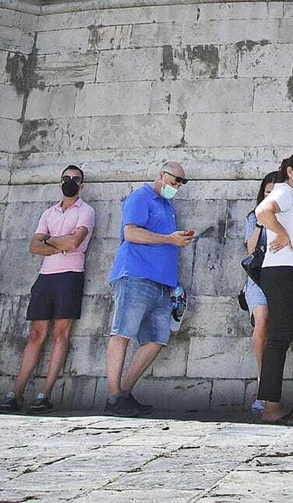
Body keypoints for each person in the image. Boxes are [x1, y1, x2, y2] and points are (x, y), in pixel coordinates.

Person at [0, 165, 94, 413]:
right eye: (66, 178)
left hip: (70, 275)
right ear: (59, 182)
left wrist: (50, 241)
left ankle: (45, 393)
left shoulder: (86, 211)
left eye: (75, 179)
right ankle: (16, 393)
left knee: (61, 334)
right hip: (46, 276)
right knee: (35, 334)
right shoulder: (49, 213)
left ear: (81, 185)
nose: (70, 182)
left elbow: (75, 241)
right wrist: (60, 245)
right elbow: (34, 246)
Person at [105, 161, 195, 416]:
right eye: (174, 179)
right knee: (122, 333)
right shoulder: (140, 197)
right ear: (161, 175)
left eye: (181, 182)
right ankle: (113, 396)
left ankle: (123, 393)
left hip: (162, 283)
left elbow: (165, 244)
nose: (176, 185)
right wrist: (169, 239)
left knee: (157, 339)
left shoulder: (167, 206)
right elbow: (131, 233)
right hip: (135, 275)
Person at [254, 152, 293, 425]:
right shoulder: (284, 193)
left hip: (292, 273)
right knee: (278, 339)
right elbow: (262, 211)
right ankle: (271, 406)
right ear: (291, 171)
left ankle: (271, 403)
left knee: (280, 337)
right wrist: (280, 233)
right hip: (284, 273)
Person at [242, 170, 282, 413]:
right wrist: (260, 220)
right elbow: (249, 247)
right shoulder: (253, 217)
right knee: (262, 320)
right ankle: (261, 382)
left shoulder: (289, 216)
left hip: (280, 278)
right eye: (266, 193)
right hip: (257, 278)